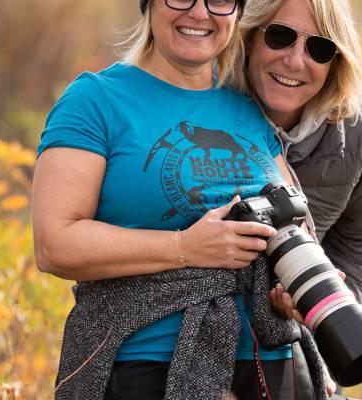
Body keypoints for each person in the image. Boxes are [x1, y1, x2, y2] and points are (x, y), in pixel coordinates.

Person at [32, 0, 332, 399]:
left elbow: (296, 225)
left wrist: (295, 291)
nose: (199, 13)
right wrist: (184, 248)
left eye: (220, 0)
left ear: (237, 13)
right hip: (147, 362)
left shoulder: (248, 108)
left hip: (272, 363)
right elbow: (54, 244)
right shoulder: (96, 100)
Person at [229, 0, 362, 305]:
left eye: (319, 49)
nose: (295, 62)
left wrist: (314, 315)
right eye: (279, 36)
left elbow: (356, 252)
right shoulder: (203, 95)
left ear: (336, 61)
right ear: (250, 35)